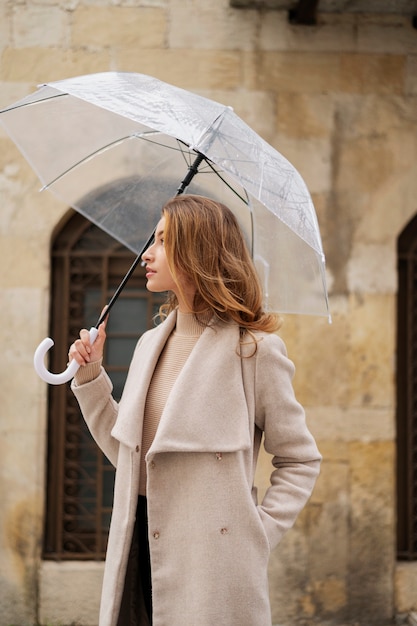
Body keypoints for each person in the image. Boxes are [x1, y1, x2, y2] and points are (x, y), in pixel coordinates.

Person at [69, 194, 321, 626]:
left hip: (213, 563)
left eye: (163, 241)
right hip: (139, 546)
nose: (147, 253)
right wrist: (91, 376)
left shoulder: (254, 351)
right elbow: (129, 456)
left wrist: (254, 535)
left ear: (197, 251)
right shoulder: (150, 344)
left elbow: (300, 459)